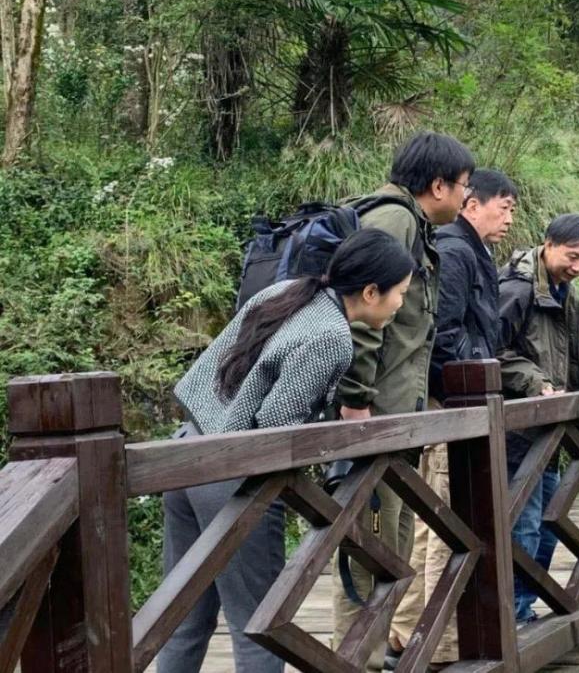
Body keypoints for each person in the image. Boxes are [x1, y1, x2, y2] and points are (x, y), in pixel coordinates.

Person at [159, 229, 415, 673]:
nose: (401, 304)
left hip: (186, 453)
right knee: (261, 626)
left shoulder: (287, 291)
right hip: (233, 478)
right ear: (371, 292)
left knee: (183, 619)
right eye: (400, 293)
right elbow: (277, 429)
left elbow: (217, 368)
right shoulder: (332, 336)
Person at [330, 131, 474, 671]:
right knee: (369, 554)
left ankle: (370, 658)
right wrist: (356, 405)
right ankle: (357, 663)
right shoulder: (394, 220)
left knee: (391, 549)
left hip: (396, 420)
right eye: (463, 186)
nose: (466, 197)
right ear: (438, 185)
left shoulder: (412, 224)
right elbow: (360, 317)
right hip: (376, 419)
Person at [391, 168, 519, 666]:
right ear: (472, 204)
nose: (509, 218)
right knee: (449, 521)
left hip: (450, 403)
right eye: (504, 207)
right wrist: (477, 375)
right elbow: (444, 333)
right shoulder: (457, 251)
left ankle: (406, 631)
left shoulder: (468, 250)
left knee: (432, 523)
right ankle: (444, 643)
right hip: (453, 403)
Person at [497, 213, 579, 625]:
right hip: (519, 432)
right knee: (525, 525)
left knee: (550, 523)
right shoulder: (516, 289)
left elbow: (566, 348)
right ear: (548, 244)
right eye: (572, 256)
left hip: (551, 433)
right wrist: (536, 382)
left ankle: (525, 606)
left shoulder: (565, 290)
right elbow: (491, 351)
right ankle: (513, 615)